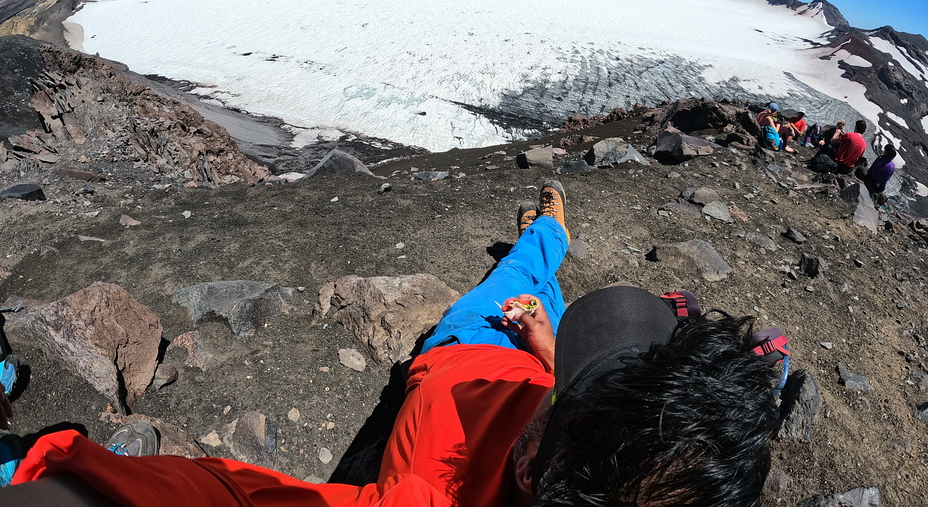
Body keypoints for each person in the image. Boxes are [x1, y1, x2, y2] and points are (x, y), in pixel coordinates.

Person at [2, 181, 783, 507]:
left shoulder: (430, 496)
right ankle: (549, 232)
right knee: (543, 292)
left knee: (518, 276)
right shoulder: (591, 445)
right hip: (520, 348)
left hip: (462, 344)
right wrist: (552, 354)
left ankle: (545, 235)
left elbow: (234, 496)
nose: (562, 404)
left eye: (571, 407)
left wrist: (71, 481)